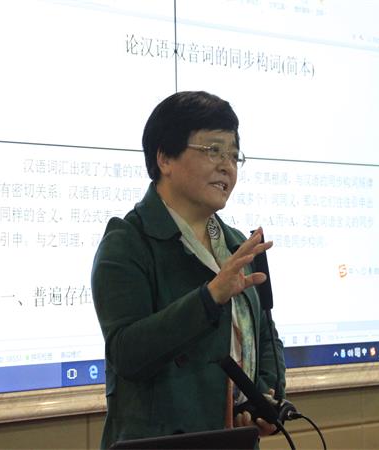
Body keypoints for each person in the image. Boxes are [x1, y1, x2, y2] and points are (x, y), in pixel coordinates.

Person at [91, 91, 286, 449]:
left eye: (234, 155)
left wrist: (263, 400)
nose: (227, 166)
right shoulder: (127, 242)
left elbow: (265, 336)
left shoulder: (237, 244)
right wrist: (209, 297)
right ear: (165, 158)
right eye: (213, 150)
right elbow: (127, 354)